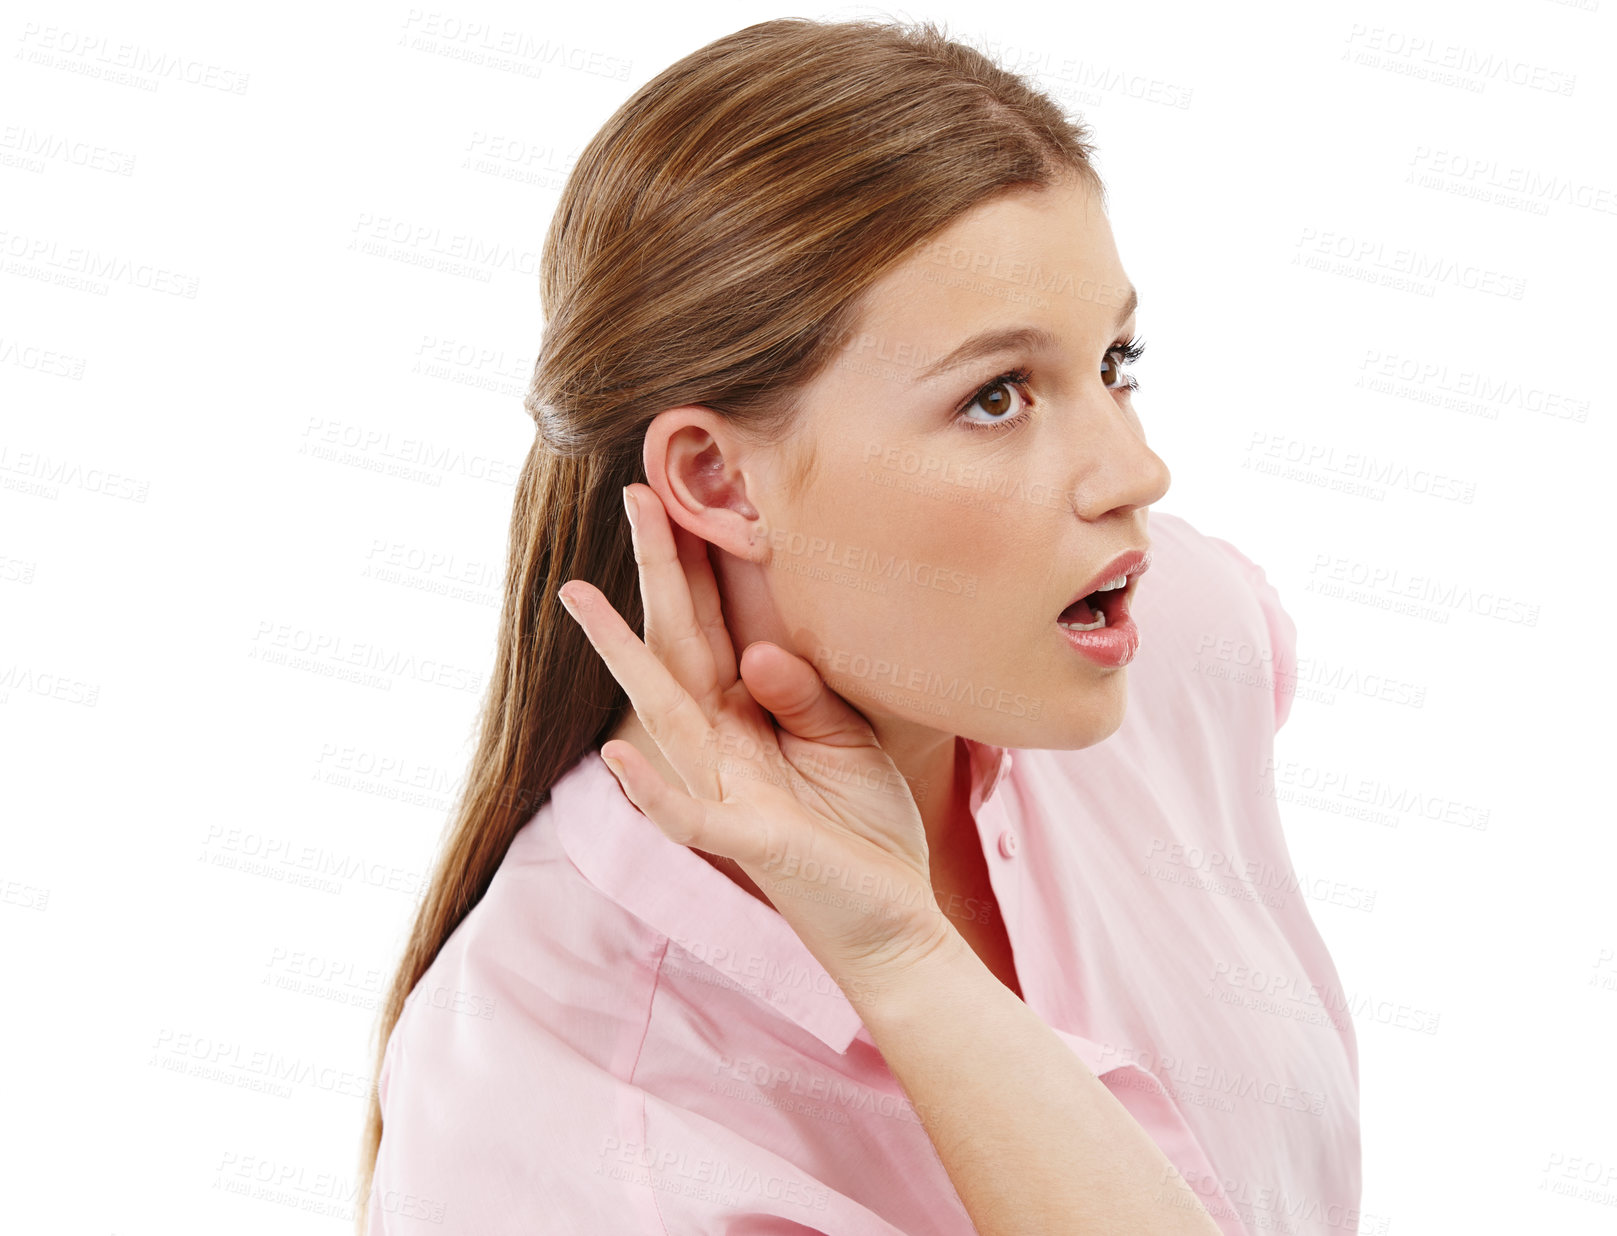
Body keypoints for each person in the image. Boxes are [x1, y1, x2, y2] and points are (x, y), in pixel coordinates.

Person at [358, 16, 1361, 1235]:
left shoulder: (1173, 639)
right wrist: (901, 958)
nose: (1134, 472)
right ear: (719, 483)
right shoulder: (556, 1123)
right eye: (996, 397)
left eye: (1116, 362)